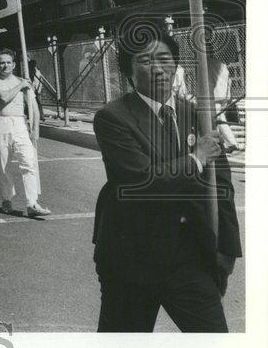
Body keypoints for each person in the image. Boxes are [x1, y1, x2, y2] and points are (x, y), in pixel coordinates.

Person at [92, 28, 242, 332]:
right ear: (128, 72)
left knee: (215, 347)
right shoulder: (113, 117)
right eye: (145, 61)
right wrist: (195, 159)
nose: (159, 68)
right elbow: (141, 181)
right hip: (131, 260)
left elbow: (222, 187)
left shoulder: (196, 115)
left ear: (176, 65)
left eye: (165, 59)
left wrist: (226, 251)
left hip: (189, 258)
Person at [0, 48, 51, 218]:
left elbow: (33, 106)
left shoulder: (23, 80)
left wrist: (35, 129)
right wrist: (21, 85)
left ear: (14, 64)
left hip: (20, 124)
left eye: (8, 62)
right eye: (1, 62)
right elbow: (4, 98)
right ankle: (6, 199)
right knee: (3, 165)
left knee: (28, 162)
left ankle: (32, 203)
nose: (5, 65)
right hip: (0, 123)